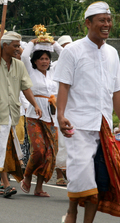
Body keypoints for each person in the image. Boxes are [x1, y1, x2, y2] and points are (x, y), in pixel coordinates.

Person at [54, 1, 120, 223]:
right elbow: (63, 86)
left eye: (109, 20)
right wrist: (61, 115)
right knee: (83, 181)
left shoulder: (112, 53)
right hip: (77, 126)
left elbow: (116, 91)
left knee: (99, 183)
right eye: (102, 20)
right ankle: (71, 212)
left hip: (104, 128)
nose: (107, 24)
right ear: (88, 23)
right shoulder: (72, 51)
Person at [0, 31, 42, 198]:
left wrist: (35, 104)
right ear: (5, 46)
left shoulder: (19, 65)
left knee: (6, 146)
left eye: (19, 45)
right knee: (1, 146)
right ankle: (6, 184)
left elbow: (26, 88)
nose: (18, 49)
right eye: (15, 46)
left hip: (14, 113)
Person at [20, 38, 63, 197]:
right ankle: (27, 175)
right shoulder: (30, 71)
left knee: (50, 153)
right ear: (35, 61)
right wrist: (33, 42)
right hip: (34, 115)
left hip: (52, 117)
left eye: (47, 58)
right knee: (38, 150)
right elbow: (24, 56)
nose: (44, 61)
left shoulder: (54, 72)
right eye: (41, 59)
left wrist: (53, 44)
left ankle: (38, 187)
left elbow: (65, 55)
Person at [54, 35, 72, 186]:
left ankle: (70, 171)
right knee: (59, 141)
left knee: (69, 141)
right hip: (56, 107)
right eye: (64, 46)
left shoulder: (76, 65)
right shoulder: (54, 65)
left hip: (71, 108)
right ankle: (59, 173)